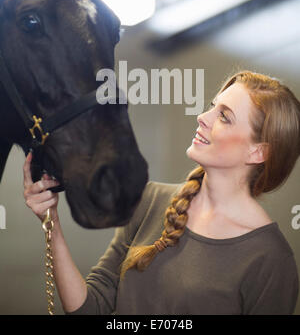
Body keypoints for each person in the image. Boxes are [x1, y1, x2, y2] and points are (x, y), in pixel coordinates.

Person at [23, 70, 300, 315]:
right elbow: (91, 307)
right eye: (212, 107)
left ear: (258, 151)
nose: (203, 117)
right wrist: (52, 222)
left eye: (224, 117)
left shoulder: (271, 260)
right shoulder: (150, 200)